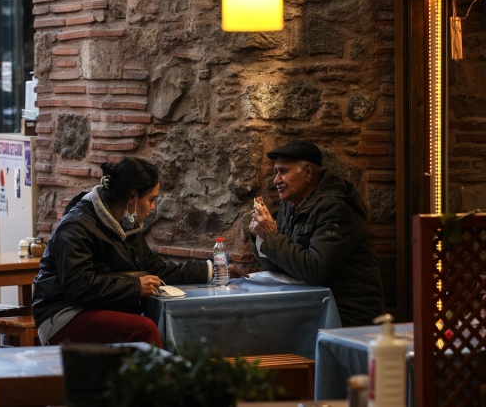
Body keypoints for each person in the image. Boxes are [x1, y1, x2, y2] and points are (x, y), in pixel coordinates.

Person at [32, 157, 243, 348]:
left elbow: (158, 270)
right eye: (151, 200)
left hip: (97, 308)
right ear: (132, 197)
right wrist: (134, 286)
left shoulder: (126, 225)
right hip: (62, 315)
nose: (152, 208)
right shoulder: (77, 226)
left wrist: (212, 270)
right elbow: (77, 287)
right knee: (144, 329)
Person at [249, 140, 384, 327]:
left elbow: (315, 270)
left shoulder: (335, 208)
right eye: (275, 172)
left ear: (308, 173)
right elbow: (278, 264)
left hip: (345, 314)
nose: (276, 180)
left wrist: (271, 235)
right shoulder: (291, 204)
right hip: (309, 306)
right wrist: (260, 236)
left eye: (283, 172)